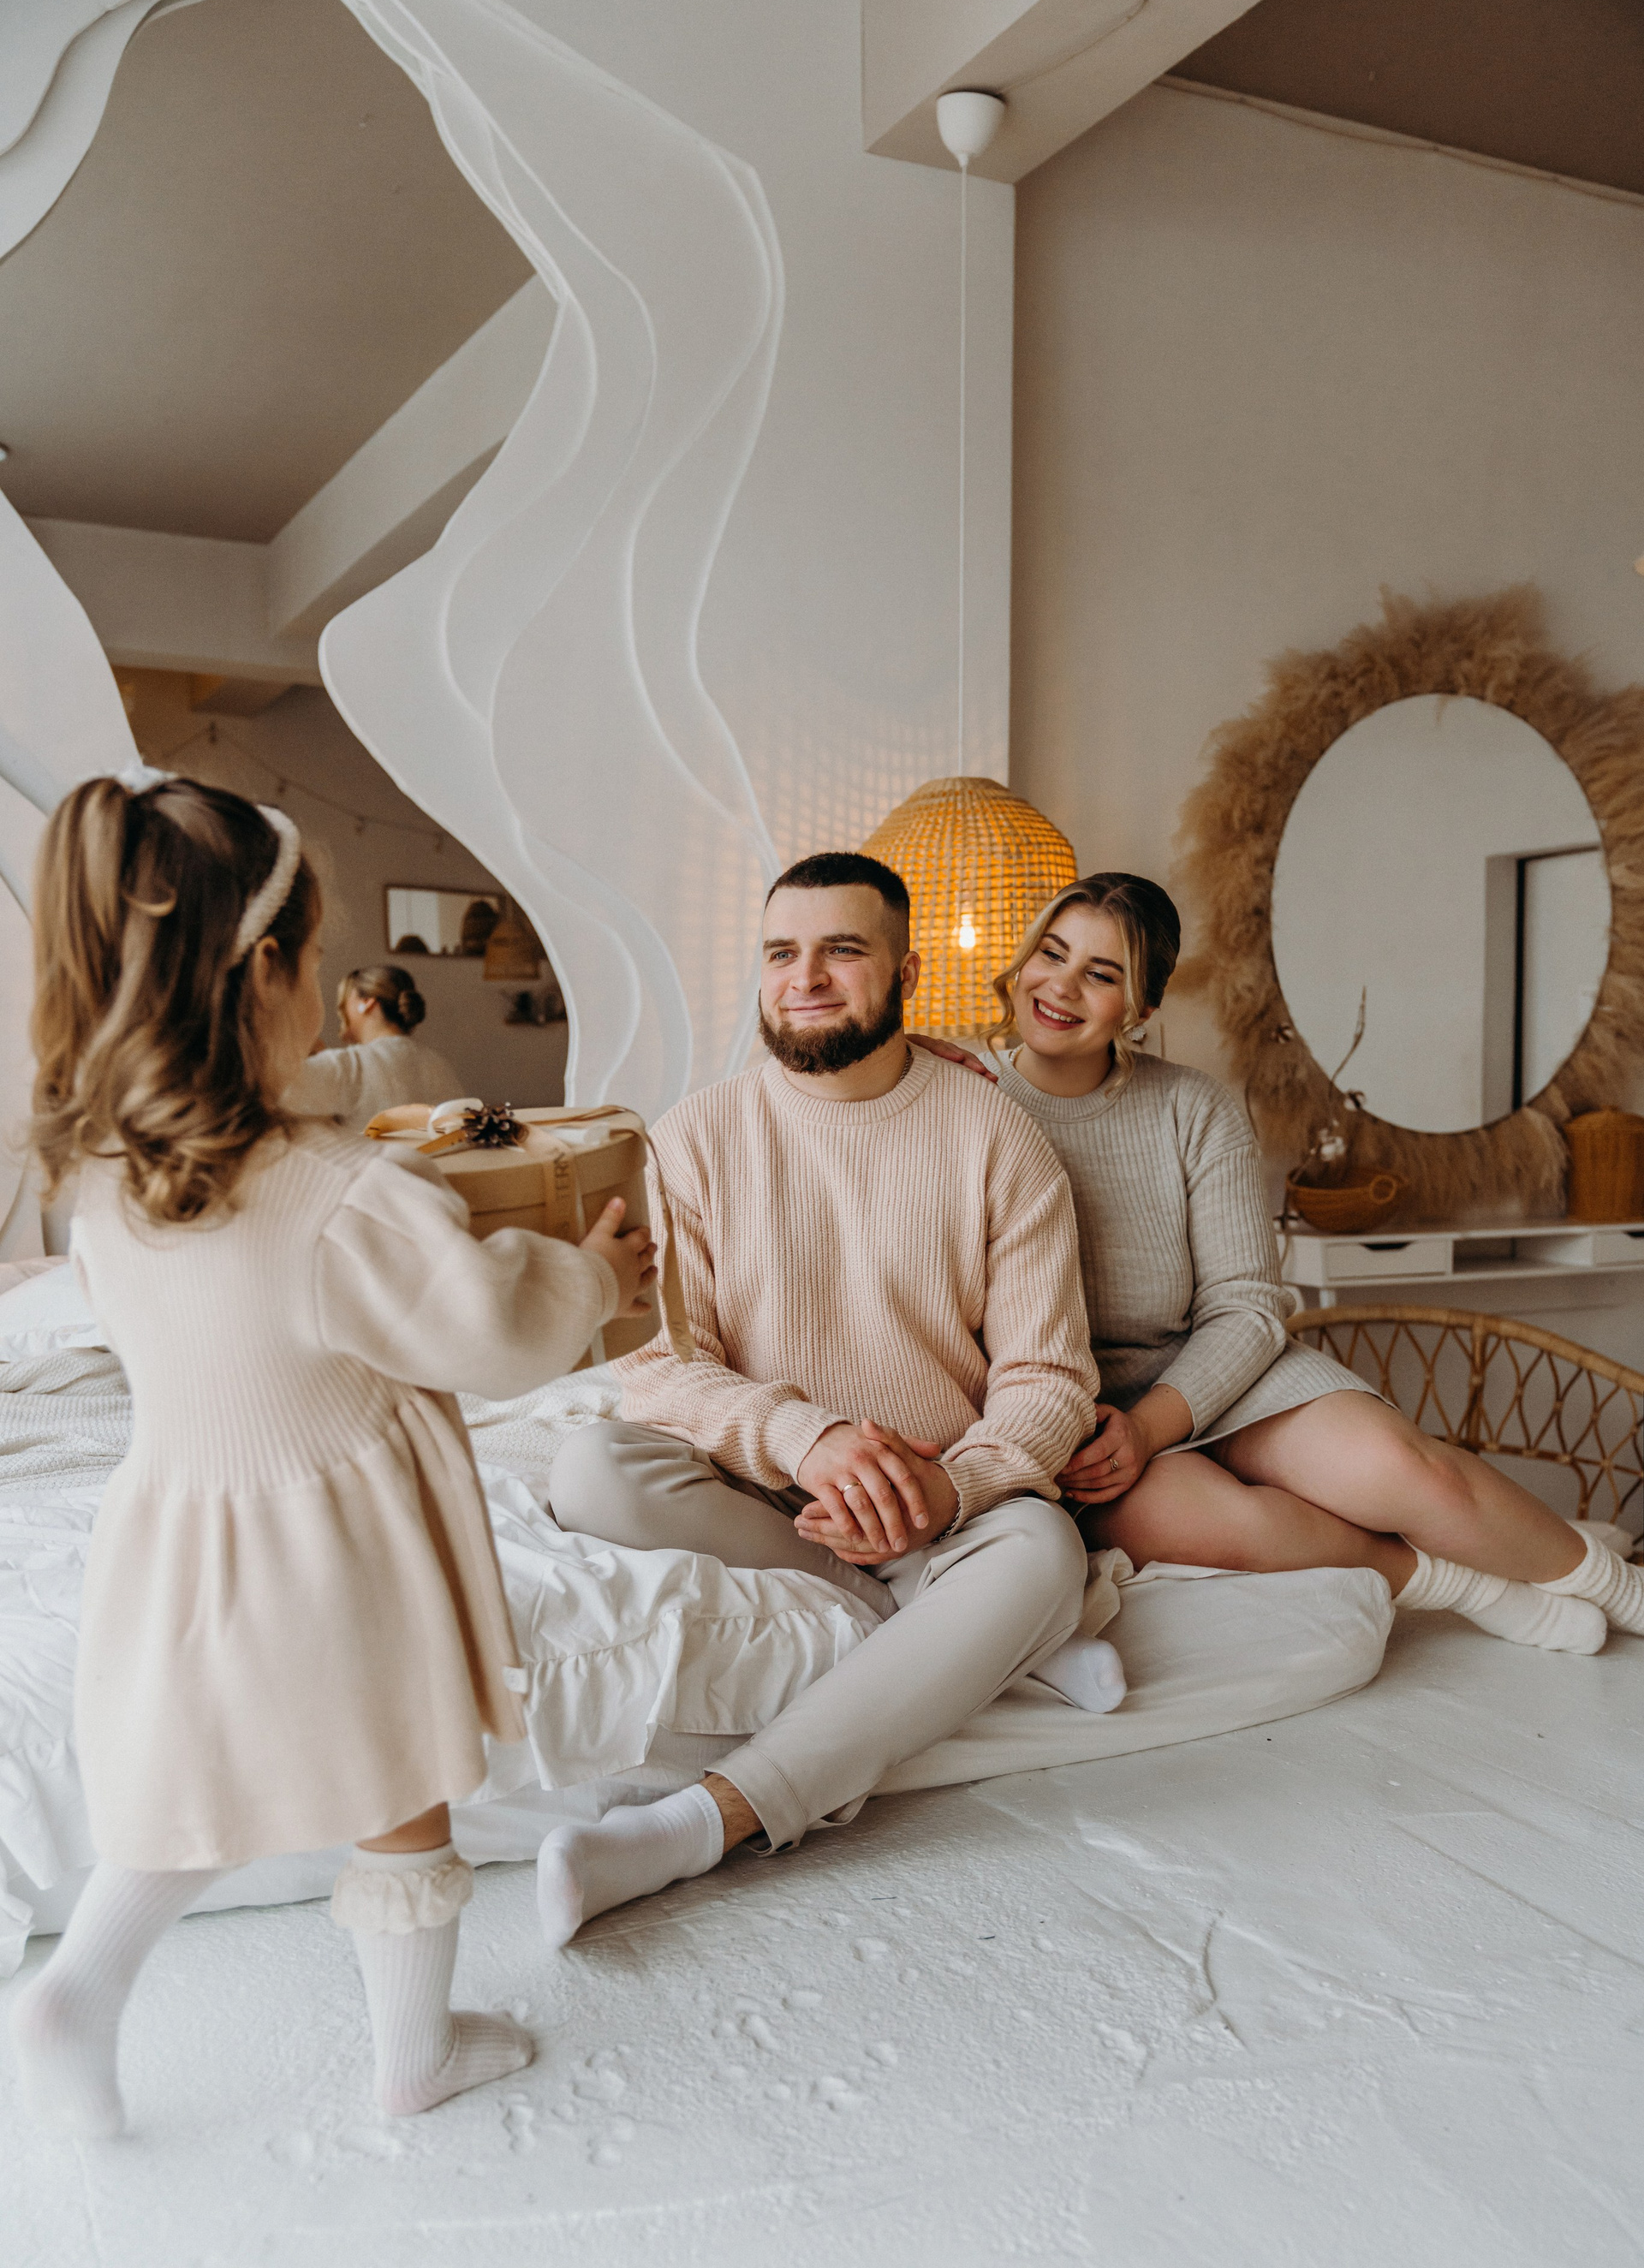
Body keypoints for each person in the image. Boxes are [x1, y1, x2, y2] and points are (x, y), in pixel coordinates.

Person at [10, 777, 656, 2139]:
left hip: (180, 1536)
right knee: (401, 1791)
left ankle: (81, 1988)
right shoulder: (341, 1195)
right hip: (333, 1553)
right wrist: (592, 1277)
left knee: (198, 1783)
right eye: (312, 958)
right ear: (264, 973)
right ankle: (415, 2055)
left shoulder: (112, 1181)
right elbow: (491, 1331)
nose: (321, 985)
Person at [539, 850, 1103, 1944]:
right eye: (781, 954)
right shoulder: (692, 1139)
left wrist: (950, 1490)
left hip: (944, 1507)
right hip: (768, 1493)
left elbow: (1050, 1377)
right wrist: (810, 1439)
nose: (805, 978)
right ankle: (963, 1637)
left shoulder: (995, 1135)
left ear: (906, 971)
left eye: (842, 951)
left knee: (1045, 1552)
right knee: (592, 1466)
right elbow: (657, 1366)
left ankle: (704, 1821)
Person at [914, 871, 1644, 1653]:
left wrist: (1153, 1426)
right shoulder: (959, 1096)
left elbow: (1247, 1304)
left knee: (1407, 1470)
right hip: (1076, 1415)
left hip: (1219, 1371)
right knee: (1229, 1524)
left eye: (1102, 973)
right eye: (1051, 954)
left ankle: (1623, 1588)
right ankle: (1467, 1586)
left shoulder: (1193, 1108)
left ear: (1142, 1008)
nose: (1061, 987)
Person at [289, 961, 463, 1134]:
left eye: (346, 999)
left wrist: (304, 1046)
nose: (339, 1008)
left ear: (367, 1003)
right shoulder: (440, 1066)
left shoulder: (350, 1066)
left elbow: (278, 1091)